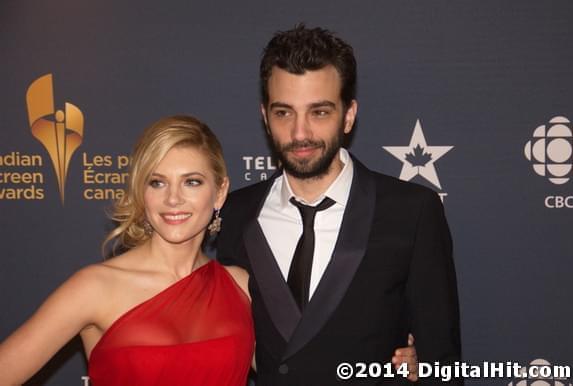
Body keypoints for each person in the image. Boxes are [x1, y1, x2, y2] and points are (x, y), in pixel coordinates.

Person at [216, 25, 462, 385]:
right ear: (265, 117)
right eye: (284, 113)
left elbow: (443, 366)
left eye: (319, 112)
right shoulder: (236, 214)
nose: (300, 133)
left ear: (348, 115)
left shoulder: (411, 212)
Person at [0, 116, 253, 385]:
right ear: (140, 191)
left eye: (191, 182)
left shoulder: (240, 285)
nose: (173, 198)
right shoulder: (95, 287)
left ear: (219, 192)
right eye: (157, 182)